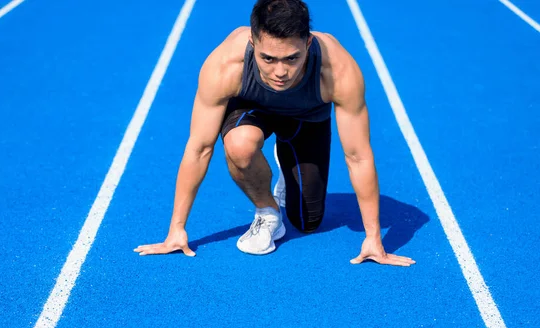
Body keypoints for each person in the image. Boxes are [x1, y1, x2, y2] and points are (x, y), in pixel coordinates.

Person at [134, 0, 415, 267]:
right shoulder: (225, 66)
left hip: (306, 119)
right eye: (268, 58)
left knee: (308, 223)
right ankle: (267, 212)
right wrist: (177, 229)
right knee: (240, 145)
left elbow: (358, 156)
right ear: (252, 43)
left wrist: (374, 238)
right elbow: (199, 147)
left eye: (292, 58)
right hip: (252, 110)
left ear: (308, 42)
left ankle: (285, 161)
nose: (280, 71)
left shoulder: (338, 71)